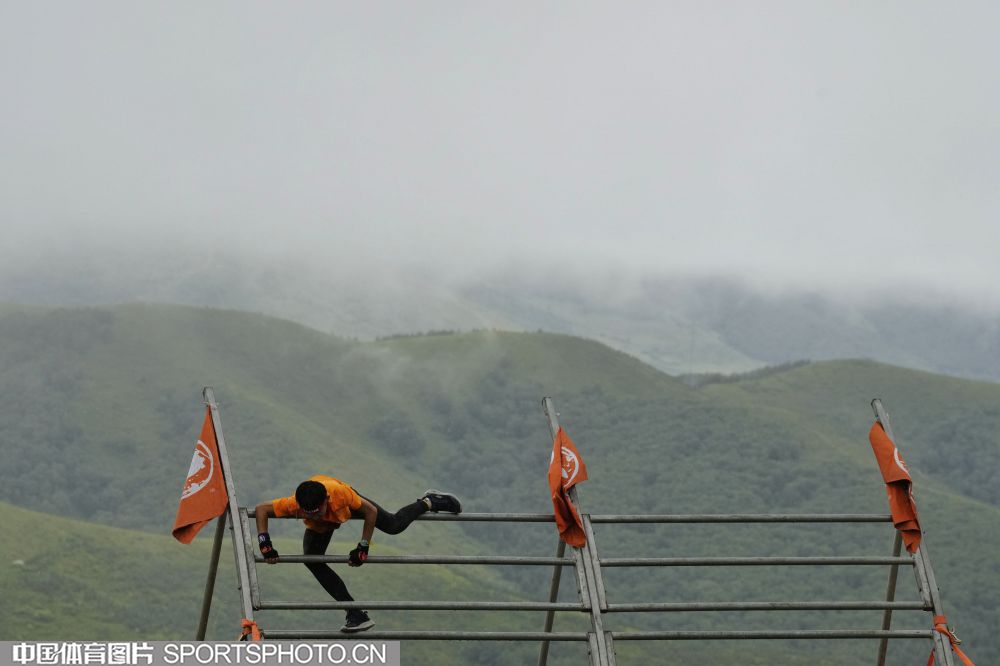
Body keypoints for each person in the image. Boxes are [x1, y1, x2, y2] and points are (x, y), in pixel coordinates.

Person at [255, 475, 462, 633]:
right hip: (325, 523)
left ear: (326, 499)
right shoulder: (295, 504)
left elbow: (370, 511)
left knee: (393, 525)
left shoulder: (340, 494)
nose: (312, 515)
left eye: (317, 511)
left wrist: (363, 546)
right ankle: (355, 612)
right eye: (307, 513)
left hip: (344, 508)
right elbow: (261, 509)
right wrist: (265, 544)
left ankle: (429, 502)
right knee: (312, 560)